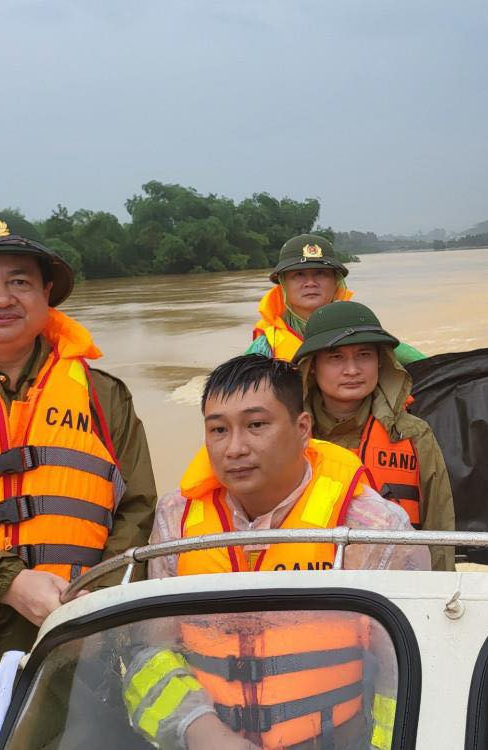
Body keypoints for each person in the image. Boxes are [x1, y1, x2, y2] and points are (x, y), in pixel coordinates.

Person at [125, 355, 429, 750]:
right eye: (218, 429)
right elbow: (149, 652)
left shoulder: (372, 527)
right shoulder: (175, 522)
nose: (234, 448)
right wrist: (203, 733)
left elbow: (406, 668)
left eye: (256, 425)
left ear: (302, 429)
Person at [0, 212, 157, 673]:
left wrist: (92, 604)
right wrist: (6, 582)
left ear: (46, 293)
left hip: (76, 641)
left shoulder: (103, 396)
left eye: (19, 282)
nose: (1, 298)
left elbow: (138, 510)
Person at [293, 301, 456, 571]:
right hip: (309, 587)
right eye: (336, 358)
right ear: (312, 367)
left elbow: (438, 532)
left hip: (394, 589)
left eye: (364, 355)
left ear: (381, 363)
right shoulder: (287, 437)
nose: (352, 370)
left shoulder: (415, 434)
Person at [248, 234, 425, 365]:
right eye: (299, 275)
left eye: (321, 273)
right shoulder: (266, 346)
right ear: (283, 285)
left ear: (336, 282)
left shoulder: (363, 330)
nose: (310, 283)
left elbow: (428, 367)